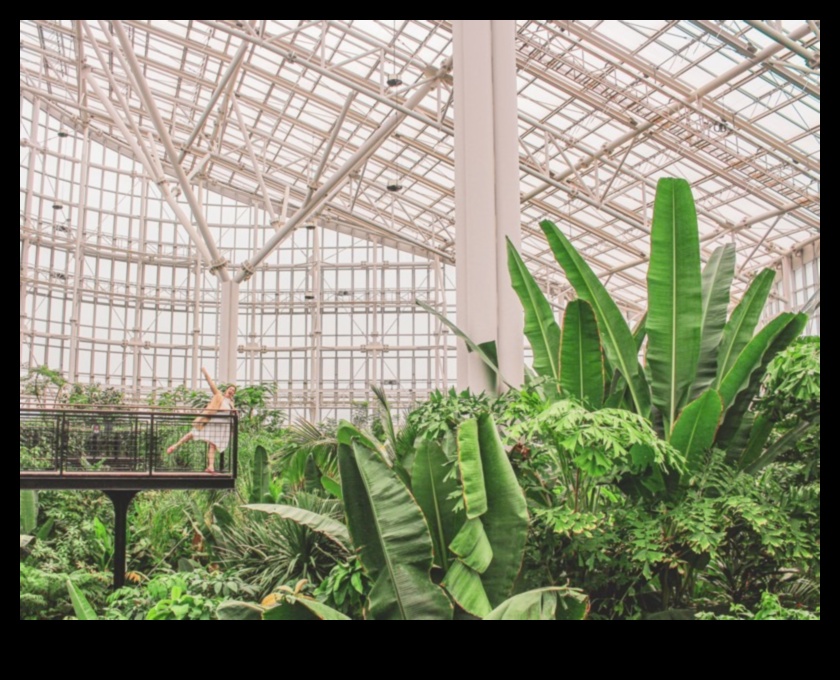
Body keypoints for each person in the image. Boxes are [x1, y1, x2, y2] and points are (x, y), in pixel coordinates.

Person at [167, 368, 236, 474]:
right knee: (192, 433)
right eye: (230, 389)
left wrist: (234, 411)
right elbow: (211, 384)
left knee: (213, 445)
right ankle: (175, 446)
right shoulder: (219, 396)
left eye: (233, 390)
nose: (231, 391)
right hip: (213, 422)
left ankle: (211, 467)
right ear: (226, 390)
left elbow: (233, 414)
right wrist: (205, 373)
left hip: (221, 426)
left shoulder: (231, 404)